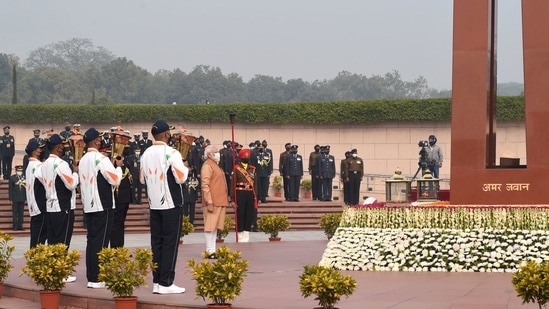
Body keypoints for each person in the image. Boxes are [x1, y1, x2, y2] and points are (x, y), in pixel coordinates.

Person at [140, 120, 188, 294]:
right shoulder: (171, 152)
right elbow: (181, 177)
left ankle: (158, 281)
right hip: (170, 203)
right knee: (170, 243)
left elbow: (141, 179)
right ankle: (166, 282)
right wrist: (186, 166)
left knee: (157, 242)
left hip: (154, 203)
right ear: (167, 134)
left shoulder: (145, 154)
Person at [79, 127, 123, 288]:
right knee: (101, 241)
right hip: (102, 205)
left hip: (89, 205)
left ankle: (92, 276)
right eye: (100, 139)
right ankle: (97, 278)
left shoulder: (83, 159)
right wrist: (118, 166)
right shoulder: (100, 159)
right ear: (96, 141)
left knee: (92, 240)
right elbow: (115, 180)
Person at [42, 134, 79, 283]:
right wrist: (76, 172)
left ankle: (52, 270)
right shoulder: (61, 164)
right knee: (63, 240)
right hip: (63, 206)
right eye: (62, 146)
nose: (63, 148)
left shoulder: (44, 164)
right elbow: (71, 184)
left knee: (52, 240)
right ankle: (61, 272)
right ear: (58, 148)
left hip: (50, 206)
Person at [200, 145, 232, 256]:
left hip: (219, 200)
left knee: (214, 227)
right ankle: (209, 250)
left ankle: (212, 249)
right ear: (209, 154)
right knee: (210, 226)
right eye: (215, 152)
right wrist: (209, 201)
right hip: (212, 201)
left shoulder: (215, 165)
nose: (218, 153)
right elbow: (205, 185)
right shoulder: (207, 166)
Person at [25, 139, 48, 247]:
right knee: (39, 237)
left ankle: (34, 260)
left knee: (35, 236)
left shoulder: (30, 165)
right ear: (34, 151)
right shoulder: (38, 166)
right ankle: (37, 261)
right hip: (40, 206)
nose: (41, 151)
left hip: (34, 206)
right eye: (39, 148)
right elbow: (46, 181)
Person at [111, 145, 134, 248]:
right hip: (116, 199)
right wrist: (116, 165)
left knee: (121, 224)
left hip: (124, 199)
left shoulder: (126, 165)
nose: (121, 159)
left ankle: (120, 247)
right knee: (116, 224)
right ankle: (115, 247)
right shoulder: (113, 168)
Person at [232, 148, 256, 242]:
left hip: (250, 193)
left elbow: (255, 184)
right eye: (245, 156)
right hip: (240, 193)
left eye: (248, 156)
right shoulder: (236, 168)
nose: (247, 158)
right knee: (240, 214)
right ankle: (240, 234)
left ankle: (246, 235)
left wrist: (256, 197)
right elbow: (232, 184)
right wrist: (232, 199)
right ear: (241, 158)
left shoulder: (253, 169)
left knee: (249, 214)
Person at [9, 165, 26, 230]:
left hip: (22, 198)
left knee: (21, 213)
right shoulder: (12, 178)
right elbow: (10, 189)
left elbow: (25, 189)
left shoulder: (24, 178)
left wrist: (26, 198)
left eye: (21, 171)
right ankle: (15, 226)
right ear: (16, 171)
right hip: (15, 198)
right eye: (18, 171)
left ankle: (20, 226)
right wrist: (10, 198)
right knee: (15, 212)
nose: (20, 172)